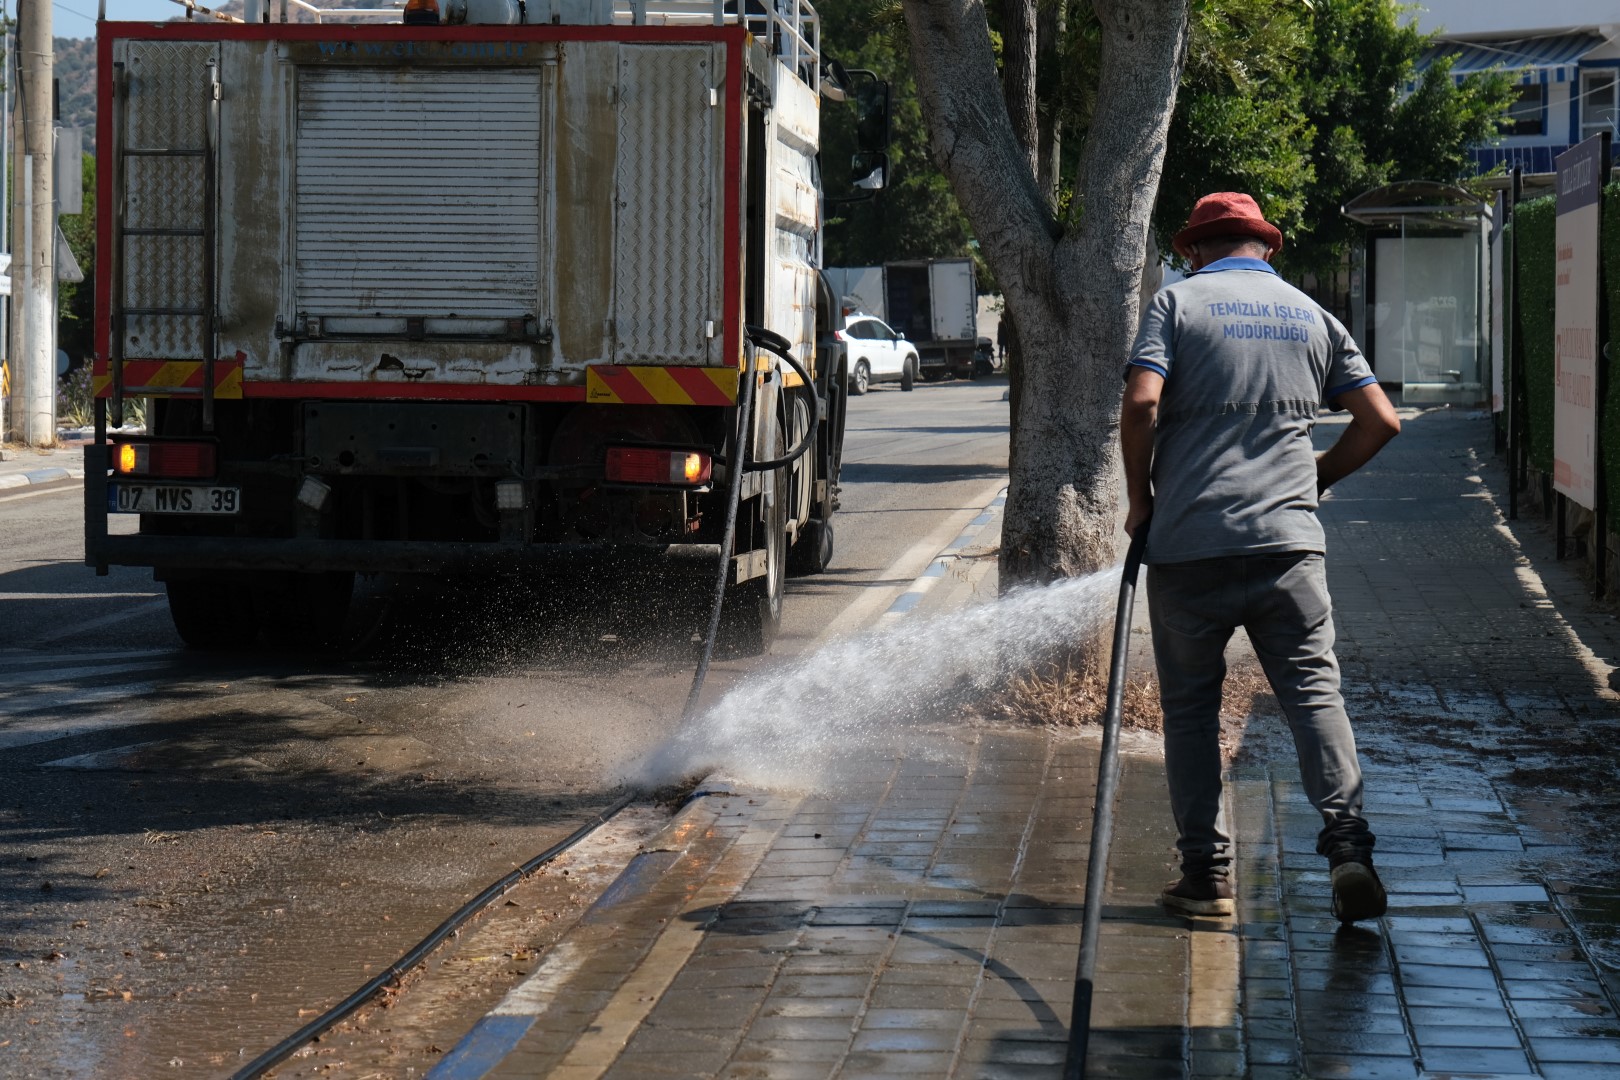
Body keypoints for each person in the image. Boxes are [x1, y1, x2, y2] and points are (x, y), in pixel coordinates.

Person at [1120, 192, 1401, 924]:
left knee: (1189, 713)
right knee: (1314, 695)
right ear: (1267, 248)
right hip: (1289, 552)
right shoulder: (1314, 317)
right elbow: (1381, 421)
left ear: (1195, 249)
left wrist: (1141, 499)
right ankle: (1348, 848)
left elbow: (1142, 402)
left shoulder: (1176, 306)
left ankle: (1206, 877)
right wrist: (1314, 479)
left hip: (1190, 549)